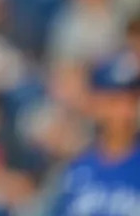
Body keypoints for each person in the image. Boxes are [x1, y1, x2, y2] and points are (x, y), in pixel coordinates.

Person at [50, 52, 140, 216]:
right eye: (113, 102)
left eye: (131, 101)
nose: (124, 112)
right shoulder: (77, 169)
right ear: (95, 104)